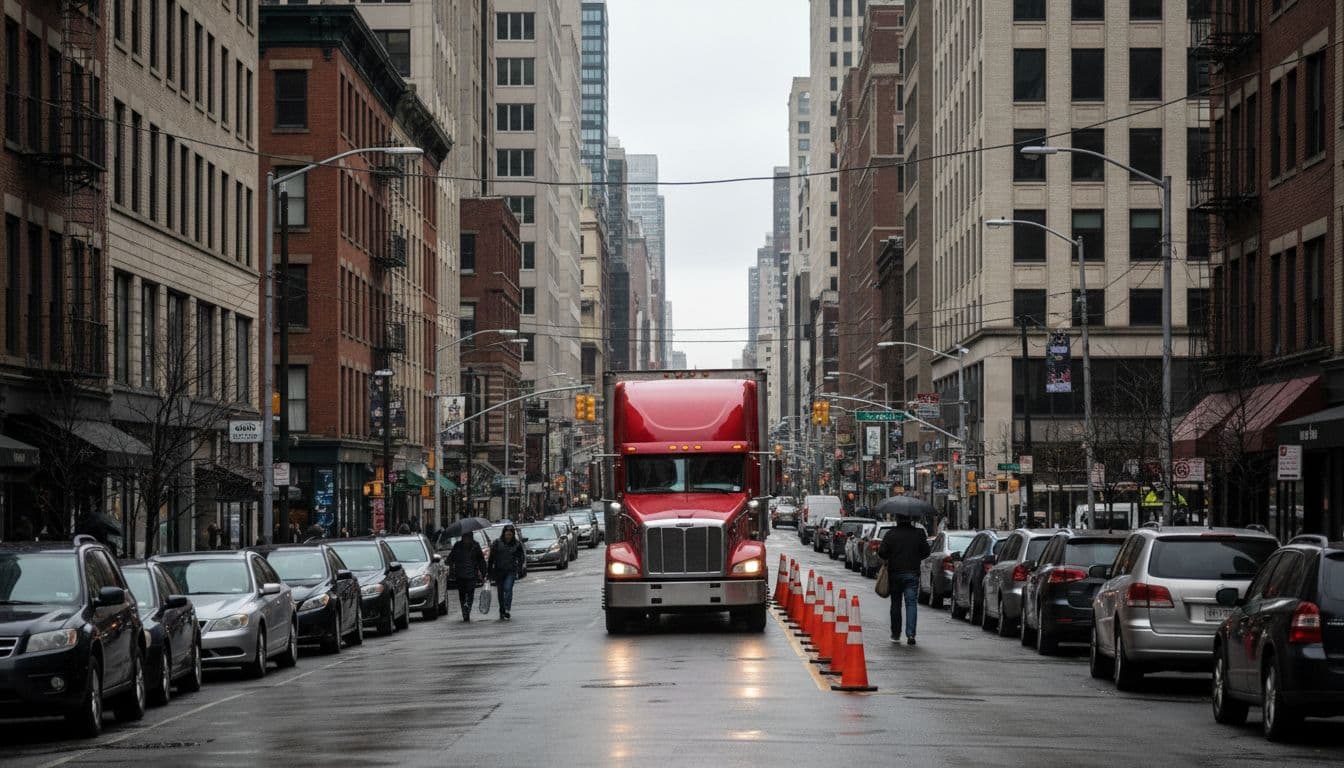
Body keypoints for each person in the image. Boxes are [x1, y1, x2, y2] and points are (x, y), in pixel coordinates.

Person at [877, 516, 930, 646]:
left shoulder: (891, 534)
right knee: (911, 604)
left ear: (897, 519)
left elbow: (882, 552)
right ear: (910, 519)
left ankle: (896, 634)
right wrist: (916, 557)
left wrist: (891, 556)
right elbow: (926, 552)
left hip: (895, 573)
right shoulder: (919, 533)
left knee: (896, 604)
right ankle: (911, 634)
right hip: (912, 573)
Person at [486, 524, 526, 620]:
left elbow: (521, 557)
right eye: (506, 534)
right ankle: (502, 609)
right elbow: (491, 558)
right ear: (503, 534)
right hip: (499, 571)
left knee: (508, 588)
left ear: (513, 535)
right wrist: (489, 571)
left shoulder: (517, 544)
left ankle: (507, 608)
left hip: (511, 571)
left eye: (510, 535)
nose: (508, 536)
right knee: (500, 591)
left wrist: (519, 568)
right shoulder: (497, 543)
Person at [448, 531, 487, 621]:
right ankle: (464, 609)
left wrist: (484, 573)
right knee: (462, 594)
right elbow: (450, 559)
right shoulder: (457, 546)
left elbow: (481, 560)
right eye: (465, 537)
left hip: (472, 575)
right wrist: (452, 566)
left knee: (470, 593)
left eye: (468, 537)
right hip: (460, 574)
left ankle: (467, 609)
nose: (466, 539)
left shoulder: (475, 546)